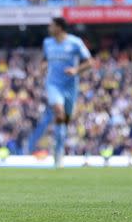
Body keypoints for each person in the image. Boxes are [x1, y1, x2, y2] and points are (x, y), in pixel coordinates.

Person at [30, 17, 93, 167]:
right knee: (58, 110)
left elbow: (90, 62)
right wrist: (42, 67)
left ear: (59, 27)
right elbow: (45, 60)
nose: (49, 28)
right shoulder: (47, 43)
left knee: (64, 119)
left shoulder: (75, 42)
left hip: (70, 86)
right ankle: (58, 153)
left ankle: (59, 145)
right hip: (53, 84)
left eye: (51, 26)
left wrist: (76, 70)